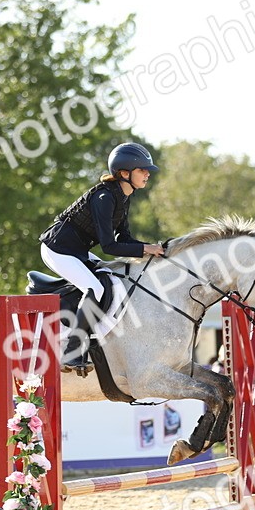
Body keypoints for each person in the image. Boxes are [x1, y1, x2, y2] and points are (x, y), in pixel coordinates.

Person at [39, 142, 166, 372]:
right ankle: (72, 350)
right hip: (57, 248)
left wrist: (152, 249)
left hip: (75, 250)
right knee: (95, 289)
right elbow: (110, 246)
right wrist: (146, 249)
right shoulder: (104, 197)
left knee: (110, 278)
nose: (147, 173)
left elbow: (124, 237)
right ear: (124, 173)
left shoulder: (123, 197)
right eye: (142, 170)